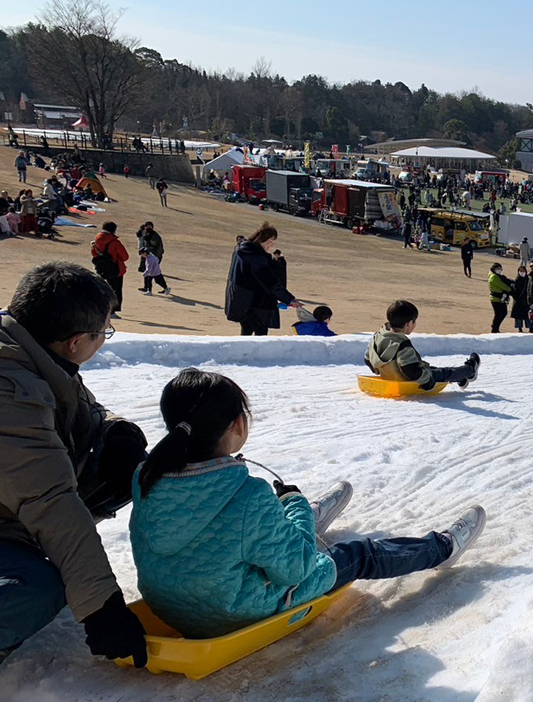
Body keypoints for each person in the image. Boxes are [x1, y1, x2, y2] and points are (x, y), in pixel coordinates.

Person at [128, 369, 486, 639]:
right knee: (358, 553)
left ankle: (293, 524)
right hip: (232, 613)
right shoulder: (248, 496)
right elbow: (296, 570)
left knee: (255, 533)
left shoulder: (147, 476)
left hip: (170, 607)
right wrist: (294, 503)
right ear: (237, 424)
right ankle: (441, 549)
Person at [0, 263, 149, 667]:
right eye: (104, 332)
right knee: (36, 589)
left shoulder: (31, 348)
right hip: (19, 510)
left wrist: (118, 431)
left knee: (119, 464)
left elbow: (82, 412)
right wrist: (102, 607)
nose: (104, 339)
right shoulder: (9, 388)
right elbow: (50, 500)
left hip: (11, 507)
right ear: (76, 342)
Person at [366, 300, 479, 389]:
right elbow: (410, 370)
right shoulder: (402, 345)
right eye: (414, 321)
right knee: (443, 373)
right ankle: (470, 370)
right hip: (408, 381)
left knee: (432, 369)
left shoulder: (378, 336)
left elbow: (367, 358)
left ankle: (460, 378)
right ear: (408, 324)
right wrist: (427, 382)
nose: (415, 324)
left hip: (391, 376)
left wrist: (379, 370)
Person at [224, 223, 300, 336]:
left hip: (241, 302)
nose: (271, 245)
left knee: (246, 331)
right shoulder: (256, 257)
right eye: (270, 242)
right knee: (259, 333)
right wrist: (290, 299)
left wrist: (276, 263)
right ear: (263, 240)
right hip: (255, 304)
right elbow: (270, 282)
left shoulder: (242, 249)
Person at [90, 221, 129, 315]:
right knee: (116, 290)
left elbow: (94, 254)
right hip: (115, 269)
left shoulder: (97, 239)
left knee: (103, 288)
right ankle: (113, 310)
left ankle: (101, 308)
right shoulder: (115, 242)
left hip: (102, 268)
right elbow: (125, 257)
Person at [488, 263, 513, 334]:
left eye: (500, 269)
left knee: (501, 313)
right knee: (500, 313)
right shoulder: (494, 277)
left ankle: (495, 327)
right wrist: (510, 290)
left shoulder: (497, 276)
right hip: (496, 298)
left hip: (500, 298)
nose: (500, 270)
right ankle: (495, 328)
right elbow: (501, 285)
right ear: (494, 269)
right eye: (498, 269)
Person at [510, 266, 531, 333]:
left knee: (528, 316)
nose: (522, 273)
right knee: (518, 316)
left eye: (523, 271)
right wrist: (517, 298)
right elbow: (513, 291)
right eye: (520, 271)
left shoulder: (528, 279)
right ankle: (520, 328)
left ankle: (530, 328)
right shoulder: (517, 280)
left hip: (526, 301)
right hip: (518, 301)